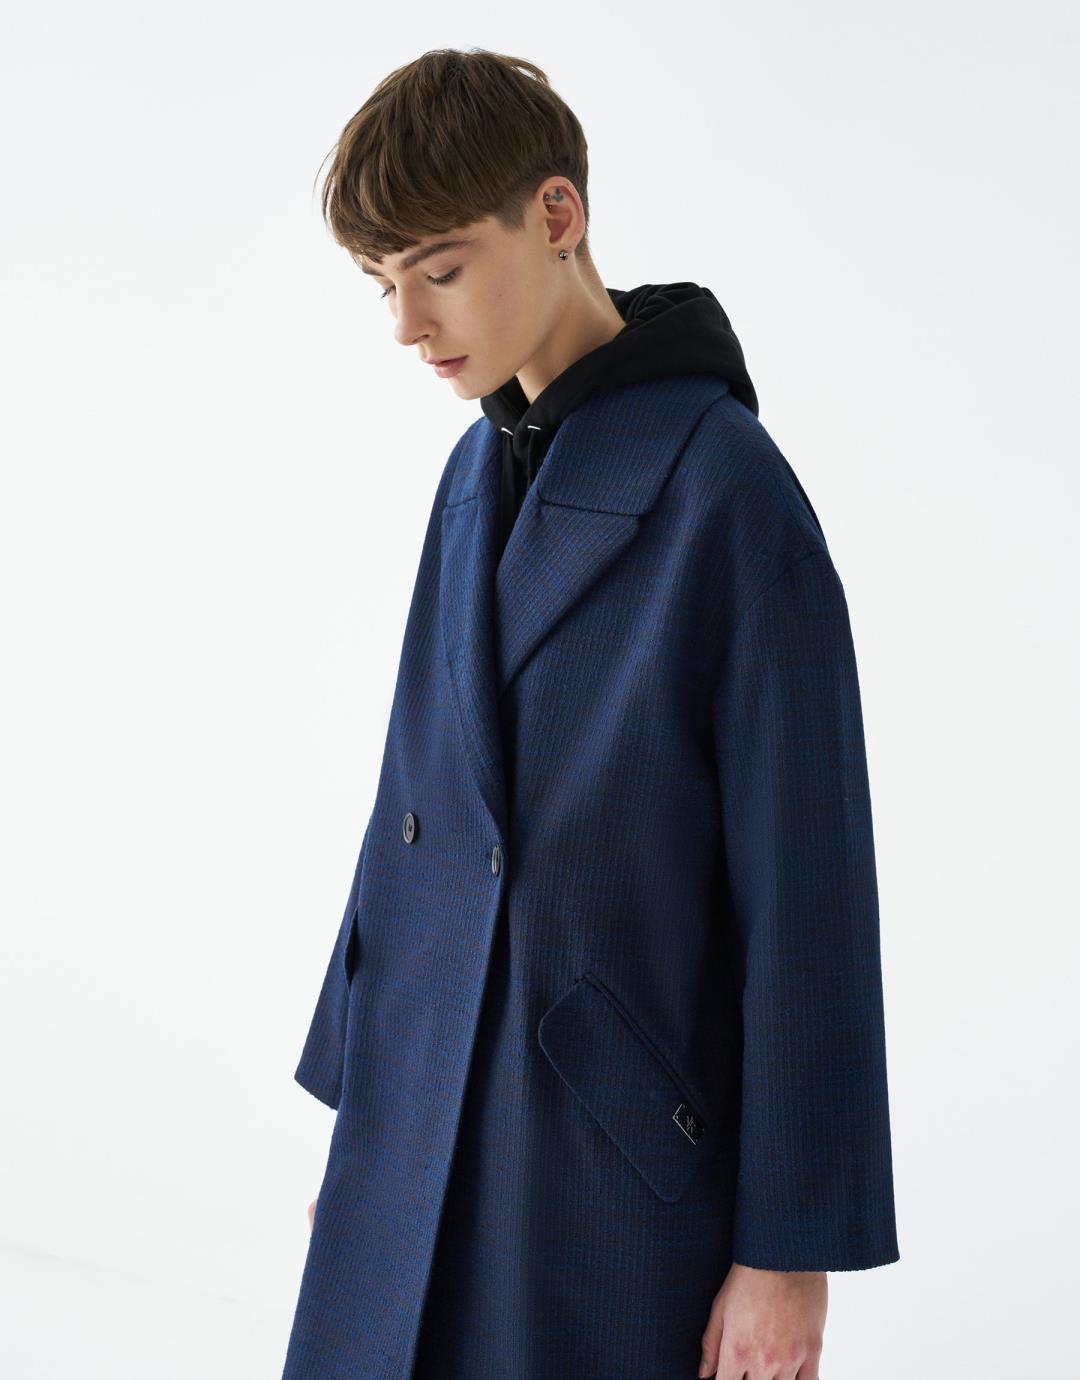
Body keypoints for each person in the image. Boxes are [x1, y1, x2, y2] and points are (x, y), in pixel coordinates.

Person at [283, 46, 898, 1380]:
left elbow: (809, 895)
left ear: (556, 214)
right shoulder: (472, 471)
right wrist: (366, 1128)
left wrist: (788, 1255)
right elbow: (412, 808)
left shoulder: (729, 493)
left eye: (440, 268)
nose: (408, 326)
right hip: (428, 1101)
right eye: (383, 285)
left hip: (605, 1148)